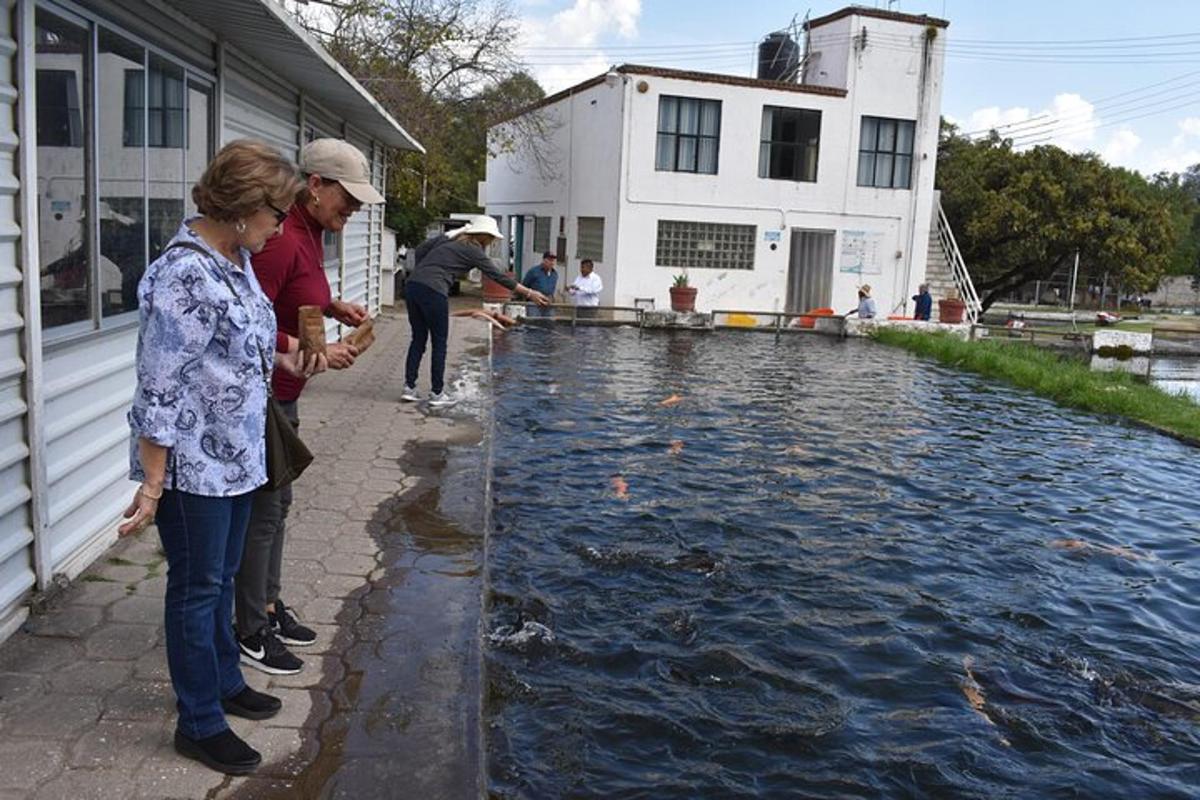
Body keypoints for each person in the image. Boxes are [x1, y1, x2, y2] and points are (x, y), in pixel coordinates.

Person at [120, 139, 325, 775]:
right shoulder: (185, 272)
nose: (282, 226)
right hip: (192, 468)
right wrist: (153, 487)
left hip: (237, 455)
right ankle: (199, 722)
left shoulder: (232, 260)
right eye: (277, 215)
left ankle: (226, 684)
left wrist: (291, 357)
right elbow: (160, 386)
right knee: (197, 586)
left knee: (222, 575)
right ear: (243, 209)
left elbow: (238, 350)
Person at [234, 138, 378, 677]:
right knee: (264, 515)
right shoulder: (278, 239)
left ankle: (268, 606)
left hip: (288, 394)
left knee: (280, 508)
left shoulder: (310, 231)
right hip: (265, 395)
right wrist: (310, 349)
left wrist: (332, 307)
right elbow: (249, 322)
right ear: (314, 185)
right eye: (348, 198)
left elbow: (291, 299)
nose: (355, 209)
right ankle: (249, 628)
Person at [403, 215, 549, 406]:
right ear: (485, 237)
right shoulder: (474, 250)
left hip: (413, 286)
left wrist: (431, 261)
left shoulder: (449, 242)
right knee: (439, 342)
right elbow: (498, 276)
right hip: (434, 290)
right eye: (491, 239)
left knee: (418, 338)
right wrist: (529, 293)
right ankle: (437, 393)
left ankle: (409, 388)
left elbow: (421, 250)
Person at [521, 251, 560, 318]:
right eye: (550, 260)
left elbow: (552, 289)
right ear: (544, 260)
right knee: (534, 323)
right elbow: (525, 285)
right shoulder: (533, 271)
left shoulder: (554, 274)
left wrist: (551, 298)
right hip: (534, 303)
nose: (552, 263)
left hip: (548, 304)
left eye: (553, 261)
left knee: (549, 323)